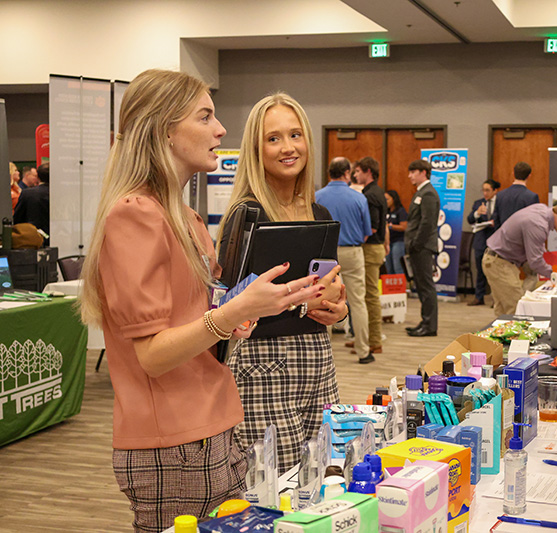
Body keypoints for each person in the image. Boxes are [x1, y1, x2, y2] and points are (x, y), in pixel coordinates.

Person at [79, 69, 324, 532]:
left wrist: (248, 311)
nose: (220, 130)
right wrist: (233, 312)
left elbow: (197, 322)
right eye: (205, 116)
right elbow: (151, 356)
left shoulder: (184, 218)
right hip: (172, 440)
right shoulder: (136, 216)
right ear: (165, 130)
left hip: (212, 427)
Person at [217, 92, 347, 474]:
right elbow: (227, 306)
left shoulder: (319, 212)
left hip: (318, 359)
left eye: (295, 135)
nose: (288, 147)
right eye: (273, 139)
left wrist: (338, 308)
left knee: (324, 471)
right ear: (256, 150)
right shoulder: (247, 214)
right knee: (278, 483)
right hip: (263, 366)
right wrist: (303, 303)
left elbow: (330, 288)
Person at [316, 157, 374, 364]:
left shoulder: (316, 197)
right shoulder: (358, 198)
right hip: (353, 252)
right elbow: (367, 232)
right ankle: (363, 351)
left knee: (325, 300)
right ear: (347, 173)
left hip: (325, 254)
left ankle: (325, 351)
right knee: (358, 301)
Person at [483, 198, 557, 317]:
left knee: (503, 311)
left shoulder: (542, 210)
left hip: (499, 260)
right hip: (499, 263)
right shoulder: (538, 225)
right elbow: (535, 261)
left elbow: (538, 249)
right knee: (517, 309)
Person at [353, 156, 387, 353]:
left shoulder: (371, 195)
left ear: (367, 171)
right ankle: (364, 337)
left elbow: (372, 228)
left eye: (358, 171)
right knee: (365, 295)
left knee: (370, 295)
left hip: (371, 248)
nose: (356, 175)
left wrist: (355, 237)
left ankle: (373, 340)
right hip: (374, 247)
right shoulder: (374, 191)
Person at [404, 159, 440, 337]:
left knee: (426, 286)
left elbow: (427, 223)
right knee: (421, 285)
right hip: (418, 247)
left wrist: (416, 244)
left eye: (413, 172)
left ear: (423, 173)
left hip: (423, 247)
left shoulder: (428, 194)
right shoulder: (421, 192)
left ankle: (430, 326)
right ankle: (425, 321)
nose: (410, 175)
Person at [466, 178, 500, 306]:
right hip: (481, 241)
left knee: (496, 273)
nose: (485, 193)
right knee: (480, 271)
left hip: (496, 241)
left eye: (488, 190)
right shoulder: (478, 203)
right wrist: (476, 213)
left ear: (495, 191)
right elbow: (469, 219)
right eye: (483, 190)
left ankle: (496, 299)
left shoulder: (500, 203)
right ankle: (478, 297)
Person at [492, 161, 539, 228]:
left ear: (513, 174)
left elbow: (496, 220)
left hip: (503, 236)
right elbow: (534, 222)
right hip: (522, 237)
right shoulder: (532, 197)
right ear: (529, 176)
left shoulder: (500, 195)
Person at [14, 162, 50, 244]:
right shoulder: (62, 194)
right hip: (61, 239)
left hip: (33, 240)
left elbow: (17, 218)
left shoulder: (28, 194)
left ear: (38, 177)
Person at [384, 190, 407, 276]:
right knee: (389, 267)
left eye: (387, 199)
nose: (385, 202)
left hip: (398, 242)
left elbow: (404, 227)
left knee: (398, 266)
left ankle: (401, 288)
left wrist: (390, 226)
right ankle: (392, 288)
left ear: (393, 199)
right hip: (388, 242)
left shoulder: (400, 211)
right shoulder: (386, 211)